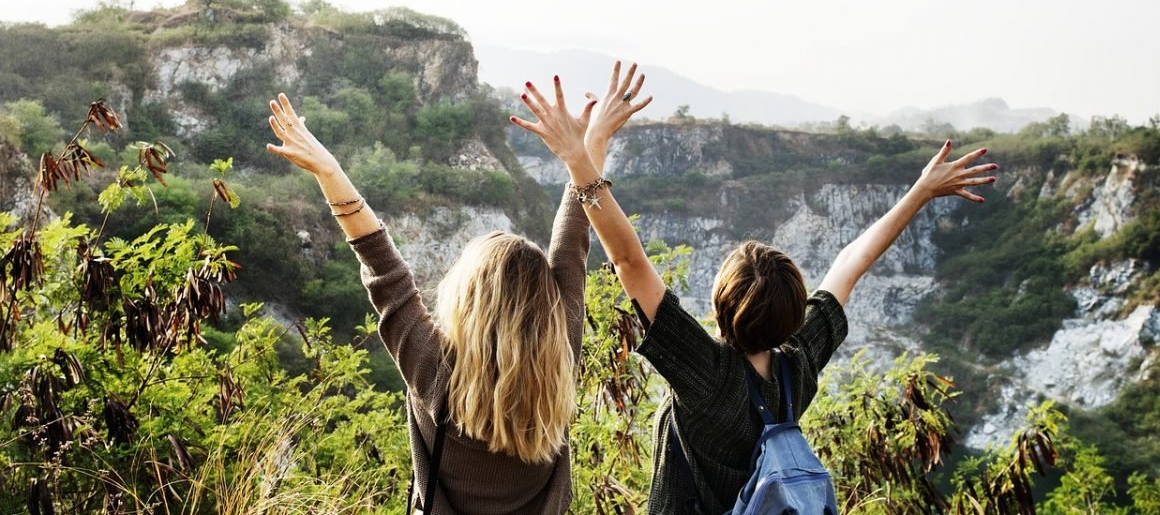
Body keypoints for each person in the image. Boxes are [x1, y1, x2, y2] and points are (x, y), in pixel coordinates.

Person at [511, 74, 997, 514]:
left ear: (721, 304)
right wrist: (920, 193)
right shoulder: (798, 365)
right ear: (793, 315)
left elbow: (627, 260)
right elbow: (851, 264)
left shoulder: (707, 373)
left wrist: (580, 156)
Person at [264, 83, 648, 514]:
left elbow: (382, 266)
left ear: (466, 298)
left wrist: (329, 171)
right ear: (548, 309)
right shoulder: (561, 353)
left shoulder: (432, 370)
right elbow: (572, 242)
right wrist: (590, 145)